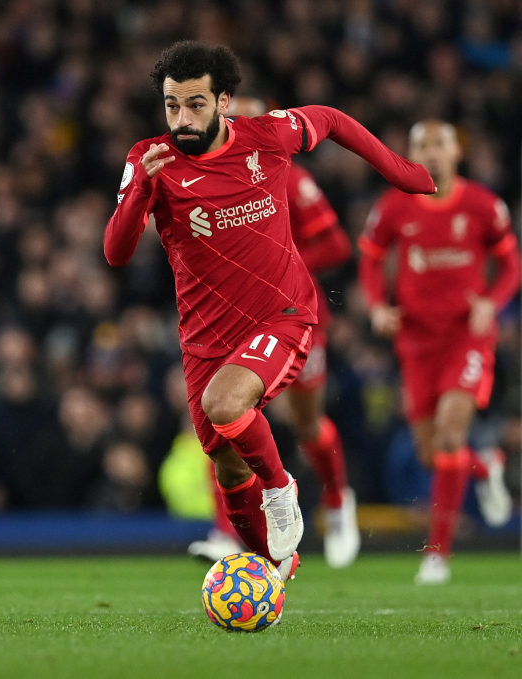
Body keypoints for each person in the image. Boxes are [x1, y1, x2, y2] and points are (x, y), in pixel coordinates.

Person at [104, 41, 434, 581]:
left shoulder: (267, 138)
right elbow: (115, 253)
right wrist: (140, 189)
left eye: (195, 105)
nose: (181, 119)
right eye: (171, 106)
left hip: (282, 315)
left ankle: (285, 490)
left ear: (225, 102)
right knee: (229, 471)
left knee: (227, 404)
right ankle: (274, 571)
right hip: (205, 338)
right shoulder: (149, 160)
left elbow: (329, 120)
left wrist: (401, 170)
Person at [189, 97, 360, 569]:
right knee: (222, 417)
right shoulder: (200, 178)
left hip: (291, 313)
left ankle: (336, 501)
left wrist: (279, 265)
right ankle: (228, 533)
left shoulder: (289, 175)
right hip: (230, 321)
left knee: (307, 424)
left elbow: (337, 244)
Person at [359, 120, 519, 585]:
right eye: (421, 146)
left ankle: (437, 553)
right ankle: (486, 463)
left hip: (466, 336)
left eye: (439, 145)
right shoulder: (393, 206)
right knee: (433, 454)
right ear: (409, 155)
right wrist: (376, 307)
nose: (431, 153)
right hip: (415, 340)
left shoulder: (483, 205)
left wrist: (493, 303)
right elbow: (370, 257)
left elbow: (510, 262)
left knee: (450, 436)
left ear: (457, 153)